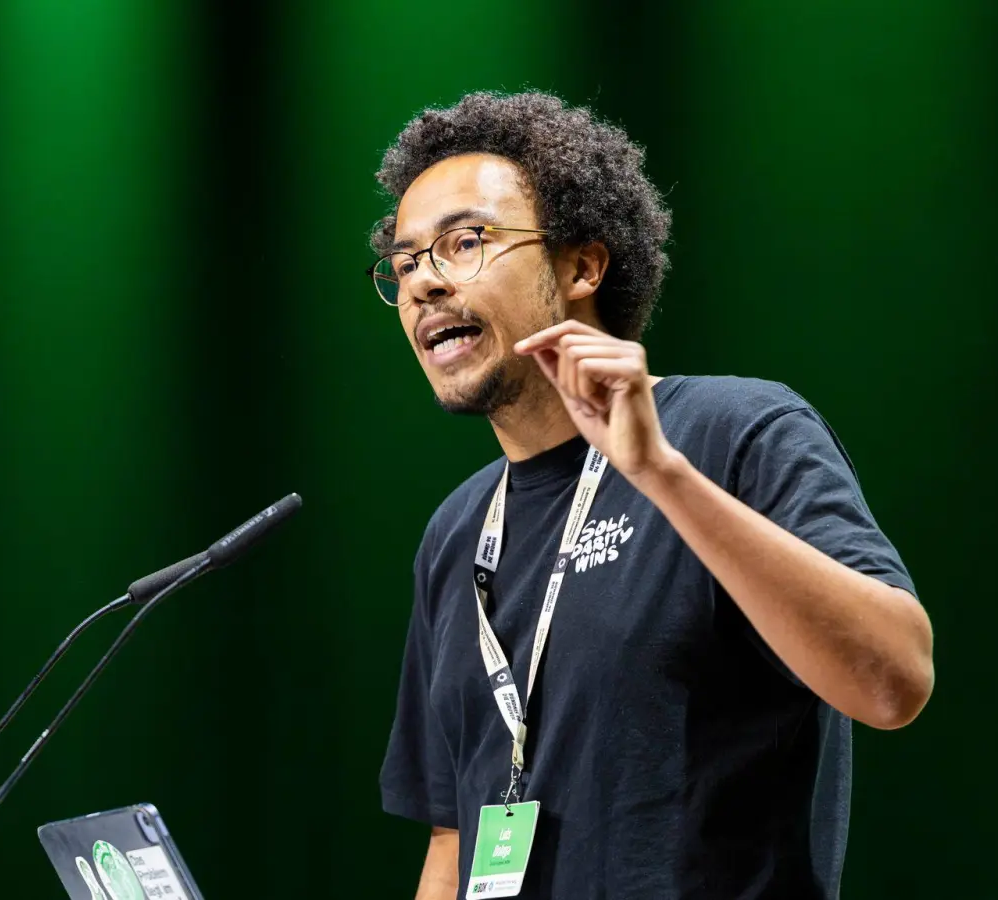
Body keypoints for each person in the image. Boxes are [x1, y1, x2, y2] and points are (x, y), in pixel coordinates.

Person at [372, 91, 934, 900]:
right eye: (405, 263)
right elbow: (451, 838)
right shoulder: (456, 532)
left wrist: (660, 473)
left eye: (465, 243)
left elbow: (895, 681)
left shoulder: (735, 432)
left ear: (581, 266)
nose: (424, 282)